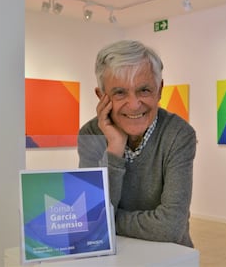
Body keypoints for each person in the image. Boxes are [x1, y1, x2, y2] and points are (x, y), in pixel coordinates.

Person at [77, 40, 197, 247]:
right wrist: (114, 147)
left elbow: (170, 227)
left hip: (170, 257)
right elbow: (90, 220)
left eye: (144, 90)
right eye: (120, 92)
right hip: (111, 255)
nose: (134, 105)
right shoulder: (91, 134)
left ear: (159, 90)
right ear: (101, 96)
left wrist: (108, 219)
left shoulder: (179, 134)